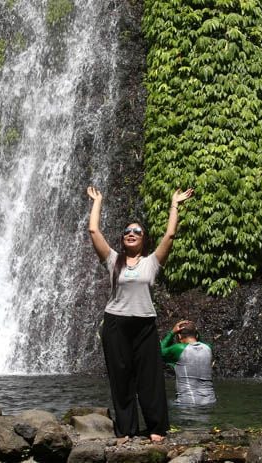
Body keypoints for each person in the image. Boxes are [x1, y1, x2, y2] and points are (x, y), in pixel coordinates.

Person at [86, 185, 194, 443]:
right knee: (120, 377)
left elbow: (169, 236)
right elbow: (93, 231)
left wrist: (174, 204)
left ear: (144, 239)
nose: (131, 234)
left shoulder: (152, 262)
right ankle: (125, 429)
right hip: (115, 324)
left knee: (150, 378)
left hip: (145, 324)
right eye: (127, 231)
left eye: (137, 231)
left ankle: (156, 427)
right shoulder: (113, 260)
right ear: (123, 238)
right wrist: (97, 201)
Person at [160, 320, 216, 406]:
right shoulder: (208, 348)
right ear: (196, 334)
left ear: (179, 336)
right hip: (210, 401)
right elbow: (200, 341)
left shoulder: (179, 349)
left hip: (187, 403)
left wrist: (172, 333)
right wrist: (196, 331)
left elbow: (157, 352)